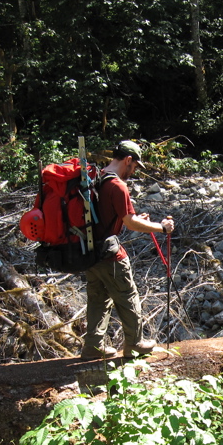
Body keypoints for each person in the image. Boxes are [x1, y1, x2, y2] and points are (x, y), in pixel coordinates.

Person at [80, 140, 175, 360]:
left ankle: (93, 347)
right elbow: (131, 223)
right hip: (110, 254)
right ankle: (135, 343)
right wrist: (162, 227)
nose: (133, 172)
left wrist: (132, 219)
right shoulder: (118, 186)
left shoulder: (97, 177)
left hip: (89, 253)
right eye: (134, 167)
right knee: (128, 294)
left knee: (98, 298)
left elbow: (106, 217)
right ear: (128, 160)